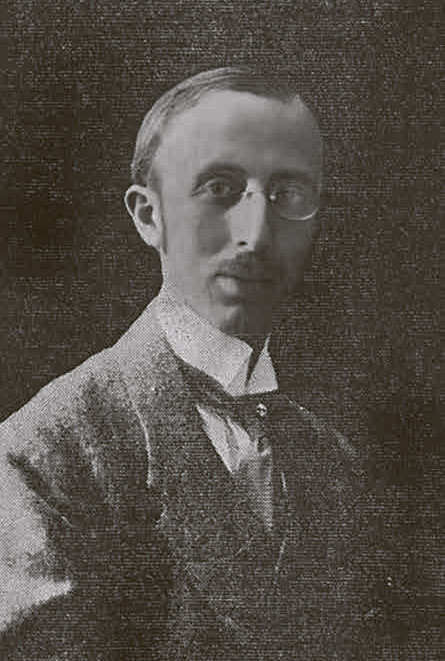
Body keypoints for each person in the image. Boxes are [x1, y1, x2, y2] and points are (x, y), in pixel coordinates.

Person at [0, 67, 432, 660]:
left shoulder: (333, 464)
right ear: (149, 216)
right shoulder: (42, 458)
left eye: (288, 194)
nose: (257, 234)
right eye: (219, 188)